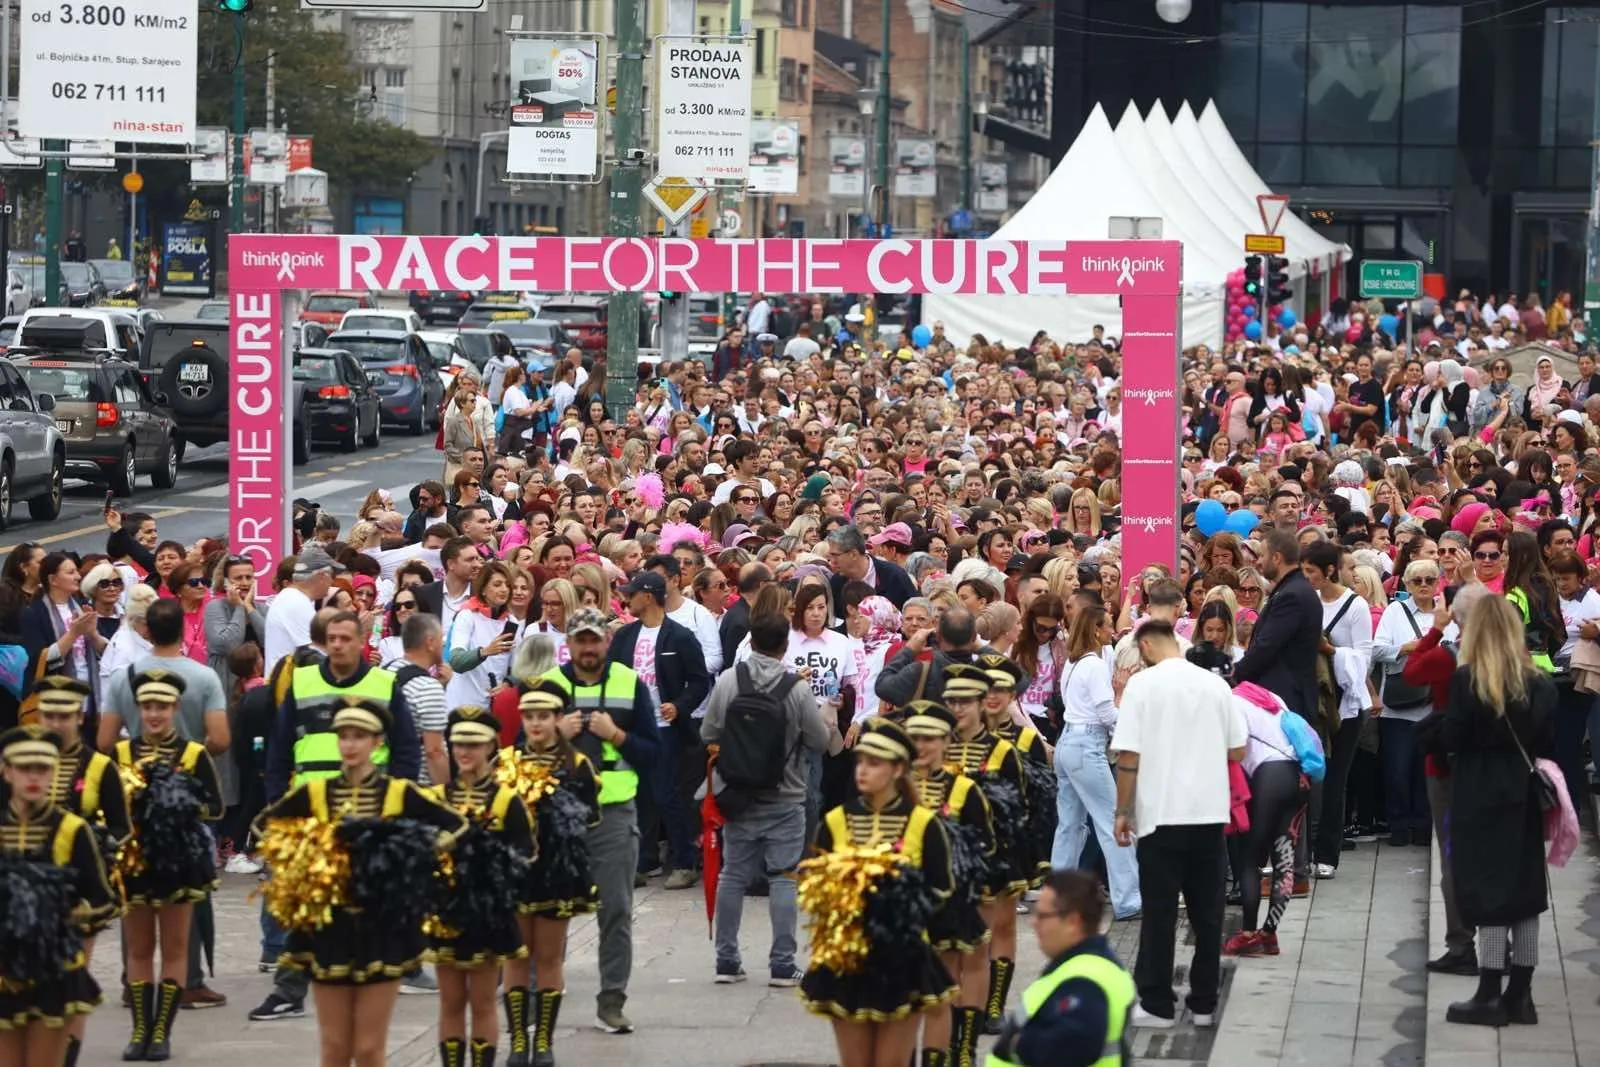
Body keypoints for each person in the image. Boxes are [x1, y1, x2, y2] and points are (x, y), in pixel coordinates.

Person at [252, 699, 466, 1067]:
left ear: (377, 742)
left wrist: (411, 859)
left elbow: (456, 826)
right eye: (344, 736)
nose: (350, 744)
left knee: (368, 1049)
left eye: (359, 736)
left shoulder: (399, 793)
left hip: (381, 929)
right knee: (334, 1048)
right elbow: (263, 826)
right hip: (328, 928)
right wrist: (303, 855)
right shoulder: (316, 792)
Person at [250, 610, 424, 1022]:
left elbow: (405, 750)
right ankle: (291, 989)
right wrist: (278, 803)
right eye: (333, 638)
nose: (339, 645)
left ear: (362, 639)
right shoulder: (303, 682)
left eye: (347, 637)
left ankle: (395, 965)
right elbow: (279, 751)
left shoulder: (383, 684)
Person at [1111, 619, 1246, 1029]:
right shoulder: (1215, 685)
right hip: (1208, 812)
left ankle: (1157, 1002)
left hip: (1161, 814)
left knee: (1160, 912)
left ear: (1147, 646)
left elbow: (1129, 757)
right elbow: (1237, 750)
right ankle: (1204, 1002)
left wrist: (1122, 811)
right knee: (1208, 913)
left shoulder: (1142, 686)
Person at [801, 716, 957, 1067]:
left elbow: (942, 889)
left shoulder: (924, 823)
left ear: (898, 769)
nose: (863, 770)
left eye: (875, 763)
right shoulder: (835, 820)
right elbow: (815, 887)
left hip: (901, 959)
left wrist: (899, 901)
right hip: (847, 960)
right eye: (861, 761)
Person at [539, 606, 661, 1034]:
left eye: (595, 639)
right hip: (558, 814)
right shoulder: (549, 688)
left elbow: (653, 754)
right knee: (549, 910)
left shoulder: (630, 683)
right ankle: (542, 991)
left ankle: (611, 1001)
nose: (588, 648)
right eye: (581, 640)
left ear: (606, 641)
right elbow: (519, 750)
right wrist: (557, 735)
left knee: (616, 911)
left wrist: (617, 736)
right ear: (568, 644)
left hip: (613, 814)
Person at [1442, 596, 1557, 1028]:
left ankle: (1489, 992)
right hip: (1523, 793)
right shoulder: (1539, 684)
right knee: (1526, 895)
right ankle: (1520, 995)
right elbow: (1546, 742)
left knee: (1489, 894)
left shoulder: (1470, 680)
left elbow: (1454, 735)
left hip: (1480, 792)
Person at [701, 607, 830, 987]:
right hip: (786, 795)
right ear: (785, 645)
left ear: (751, 640)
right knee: (784, 877)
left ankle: (726, 960)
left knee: (733, 873)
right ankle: (782, 964)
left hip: (737, 793)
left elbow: (708, 732)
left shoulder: (728, 681)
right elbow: (819, 741)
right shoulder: (796, 688)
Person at [114, 669, 224, 1061]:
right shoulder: (122, 753)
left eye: (162, 706)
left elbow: (215, 806)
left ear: (175, 708)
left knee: (175, 946)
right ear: (138, 709)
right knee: (139, 947)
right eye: (147, 706)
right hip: (136, 864)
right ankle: (140, 1028)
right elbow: (107, 813)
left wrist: (178, 805)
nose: (155, 714)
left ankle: (162, 1030)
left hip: (179, 863)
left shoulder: (193, 753)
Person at [0, 725, 118, 1067]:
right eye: (25, 767)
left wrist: (64, 915)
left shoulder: (73, 830)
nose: (34, 776)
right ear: (7, 772)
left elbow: (103, 900)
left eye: (43, 768)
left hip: (55, 970)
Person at [500, 679, 602, 1067]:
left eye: (544, 716)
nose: (536, 724)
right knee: (515, 957)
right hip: (516, 873)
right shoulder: (506, 761)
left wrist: (556, 810)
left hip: (556, 872)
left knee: (547, 958)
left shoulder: (576, 764)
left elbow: (591, 816)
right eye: (529, 717)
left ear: (559, 719)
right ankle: (517, 1042)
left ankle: (542, 1040)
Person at [429, 705, 536, 1067]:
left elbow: (525, 855)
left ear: (491, 746)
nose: (464, 751)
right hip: (447, 913)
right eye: (458, 743)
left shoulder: (507, 800)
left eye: (474, 743)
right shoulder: (437, 799)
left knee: (483, 1001)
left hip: (489, 915)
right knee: (450, 1001)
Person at [33, 676, 128, 1067]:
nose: (56, 723)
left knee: (71, 979)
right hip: (27, 890)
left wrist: (100, 843)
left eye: (64, 715)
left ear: (79, 716)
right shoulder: (21, 763)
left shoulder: (100, 766)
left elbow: (123, 827)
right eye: (49, 715)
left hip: (78, 893)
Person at [903, 699, 994, 1067]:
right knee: (904, 997)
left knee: (939, 990)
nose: (922, 746)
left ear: (946, 741)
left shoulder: (964, 790)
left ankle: (962, 1053)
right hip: (900, 911)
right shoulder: (887, 789)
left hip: (948, 902)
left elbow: (985, 845)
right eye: (914, 738)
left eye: (930, 738)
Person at [607, 571, 711, 890]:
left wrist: (680, 705)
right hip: (634, 729)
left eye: (632, 593)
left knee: (667, 795)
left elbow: (699, 680)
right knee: (637, 796)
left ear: (648, 597)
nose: (626, 598)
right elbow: (611, 675)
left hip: (666, 729)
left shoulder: (680, 637)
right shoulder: (625, 636)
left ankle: (684, 861)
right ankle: (643, 861)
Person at [985, 869, 1136, 1067]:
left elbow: (1072, 1046)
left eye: (1042, 915)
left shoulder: (1084, 981)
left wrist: (1019, 1043)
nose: (1033, 922)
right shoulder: (1088, 966)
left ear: (1072, 922)